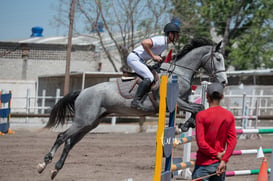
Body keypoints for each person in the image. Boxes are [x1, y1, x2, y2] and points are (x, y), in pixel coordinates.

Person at [127, 22, 180, 110]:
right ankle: (136, 101)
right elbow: (144, 43)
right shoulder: (161, 40)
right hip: (135, 58)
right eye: (176, 34)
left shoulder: (165, 44)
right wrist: (153, 56)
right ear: (170, 34)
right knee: (150, 77)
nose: (178, 37)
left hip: (140, 60)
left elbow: (158, 58)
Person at [192, 83, 237, 181]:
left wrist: (216, 154)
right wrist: (224, 160)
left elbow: (201, 143)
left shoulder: (201, 116)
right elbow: (232, 141)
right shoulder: (228, 116)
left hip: (203, 164)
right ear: (222, 97)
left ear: (207, 97)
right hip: (219, 164)